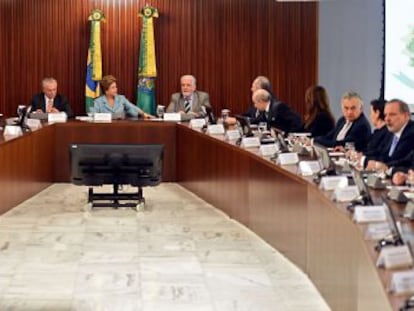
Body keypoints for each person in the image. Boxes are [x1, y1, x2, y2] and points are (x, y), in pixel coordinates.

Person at [365, 99, 414, 172]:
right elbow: (381, 154)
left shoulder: (411, 133)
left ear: (406, 116)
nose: (387, 119)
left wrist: (381, 166)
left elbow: (399, 159)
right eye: (385, 115)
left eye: (392, 114)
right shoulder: (390, 132)